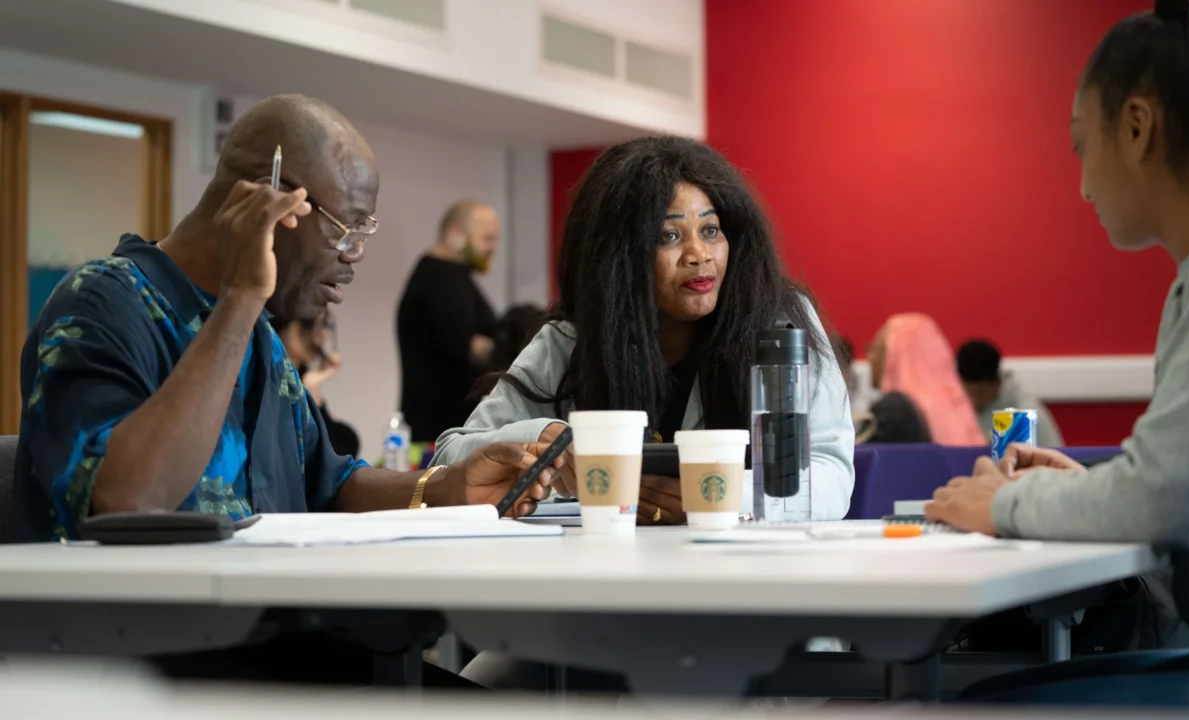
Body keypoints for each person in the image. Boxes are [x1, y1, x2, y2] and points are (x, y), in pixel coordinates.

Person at [928, 0, 1189, 695]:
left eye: (1081, 144)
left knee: (973, 702)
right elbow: (1184, 491)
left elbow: (1162, 507)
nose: (1084, 184)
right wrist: (1084, 488)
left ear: (1138, 127)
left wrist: (1000, 508)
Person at [15, 95, 558, 542]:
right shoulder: (101, 304)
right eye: (345, 229)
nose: (354, 256)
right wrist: (241, 298)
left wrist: (453, 486)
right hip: (149, 657)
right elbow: (126, 501)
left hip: (266, 639)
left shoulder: (258, 337)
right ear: (267, 200)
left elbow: (333, 484)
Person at [434, 135, 854, 526]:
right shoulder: (572, 338)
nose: (699, 255)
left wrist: (712, 495)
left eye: (710, 231)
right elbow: (450, 458)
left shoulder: (779, 323)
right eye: (669, 236)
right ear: (620, 259)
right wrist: (543, 440)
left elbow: (831, 476)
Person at [396, 201, 500, 443]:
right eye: (487, 238)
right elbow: (466, 345)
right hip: (441, 434)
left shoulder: (451, 278)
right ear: (456, 234)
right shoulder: (440, 280)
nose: (493, 247)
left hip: (447, 430)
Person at [866, 313, 984, 446]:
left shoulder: (892, 410)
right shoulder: (958, 408)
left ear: (895, 356)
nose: (870, 358)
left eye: (875, 349)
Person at [270, 309, 360, 458]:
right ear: (283, 322)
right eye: (310, 323)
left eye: (324, 324)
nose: (323, 333)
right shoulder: (265, 381)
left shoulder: (301, 377)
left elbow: (338, 456)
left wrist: (312, 390)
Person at [957, 339, 1064, 447]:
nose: (974, 400)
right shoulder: (954, 406)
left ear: (996, 384)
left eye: (979, 393)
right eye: (967, 393)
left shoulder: (1024, 414)